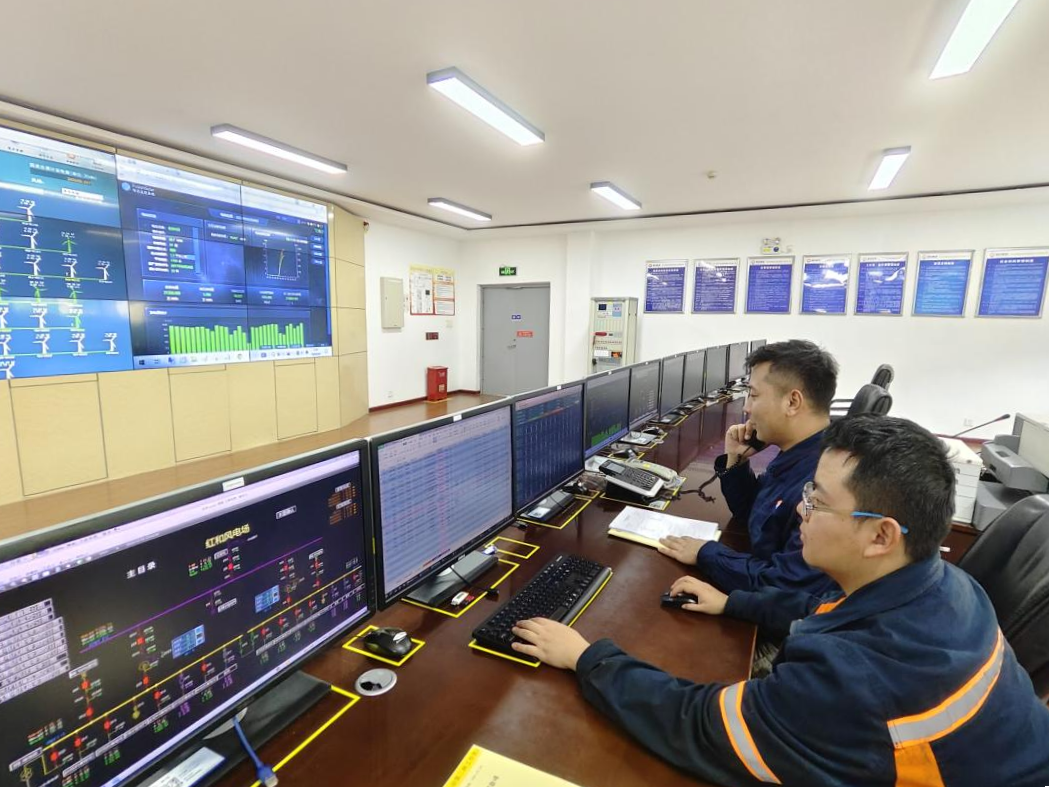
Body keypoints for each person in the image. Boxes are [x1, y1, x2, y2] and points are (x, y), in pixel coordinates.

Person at [512, 415, 1049, 786]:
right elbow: (821, 611)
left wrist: (586, 657)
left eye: (818, 501)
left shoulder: (851, 680)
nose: (800, 510)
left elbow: (698, 725)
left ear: (881, 535)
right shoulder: (948, 585)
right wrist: (732, 604)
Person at [659, 339, 839, 596]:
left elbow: (784, 584)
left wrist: (706, 553)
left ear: (792, 402)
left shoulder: (824, 484)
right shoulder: (796, 453)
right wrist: (736, 458)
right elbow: (751, 512)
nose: (746, 407)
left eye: (753, 395)